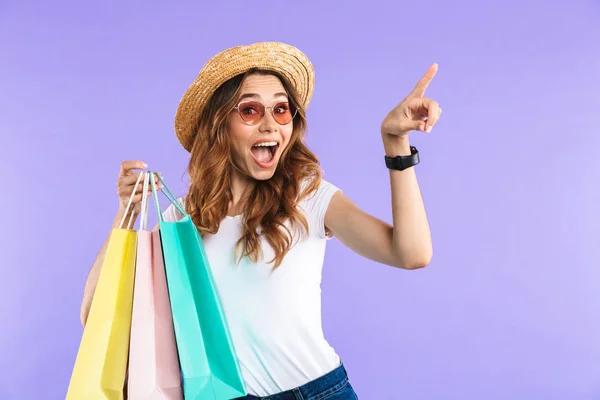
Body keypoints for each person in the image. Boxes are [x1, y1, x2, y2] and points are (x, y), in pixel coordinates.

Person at [80, 42, 441, 399]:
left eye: (281, 110)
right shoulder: (181, 218)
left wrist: (395, 143)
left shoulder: (309, 197)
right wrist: (126, 213)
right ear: (220, 124)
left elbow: (411, 253)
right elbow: (96, 317)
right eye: (250, 110)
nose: (270, 124)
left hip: (317, 392)